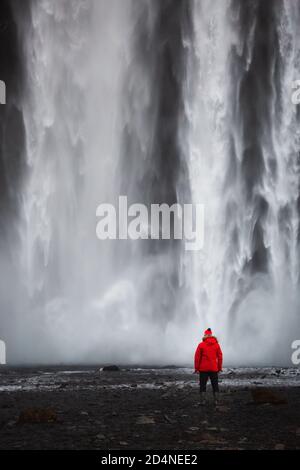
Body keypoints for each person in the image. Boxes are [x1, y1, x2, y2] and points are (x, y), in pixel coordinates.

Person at [194, 328, 223, 406]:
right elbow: (220, 357)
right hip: (214, 368)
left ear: (205, 335)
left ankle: (203, 401)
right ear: (211, 335)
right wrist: (219, 368)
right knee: (215, 384)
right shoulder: (216, 344)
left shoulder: (201, 344)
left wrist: (196, 368)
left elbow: (197, 357)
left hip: (203, 369)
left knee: (203, 384)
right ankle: (216, 401)